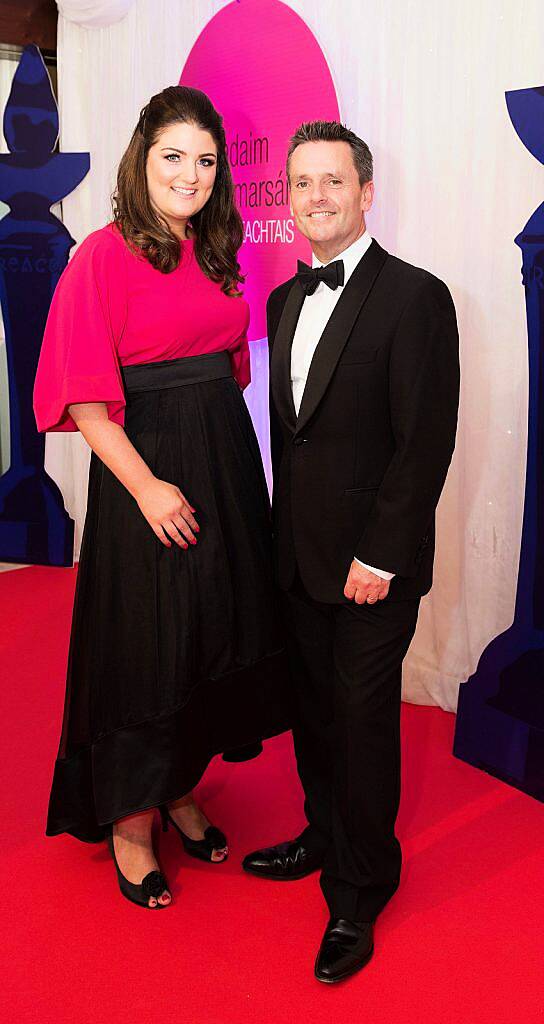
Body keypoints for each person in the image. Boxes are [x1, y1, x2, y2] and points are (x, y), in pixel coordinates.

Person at [33, 85, 289, 910]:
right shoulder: (100, 256)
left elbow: (226, 369)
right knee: (145, 644)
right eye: (173, 156)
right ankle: (131, 820)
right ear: (141, 161)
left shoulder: (216, 252)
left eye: (206, 160)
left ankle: (181, 784)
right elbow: (81, 397)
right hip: (148, 471)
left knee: (208, 631)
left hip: (223, 464)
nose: (192, 173)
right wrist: (144, 486)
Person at [243, 121, 459, 982]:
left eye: (334, 182)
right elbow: (290, 439)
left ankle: (361, 890)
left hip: (372, 566)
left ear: (366, 193)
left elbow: (425, 444)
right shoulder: (282, 300)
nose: (317, 198)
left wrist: (382, 555)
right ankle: (323, 834)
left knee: (364, 723)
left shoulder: (417, 297)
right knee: (313, 711)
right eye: (303, 184)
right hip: (296, 555)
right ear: (288, 197)